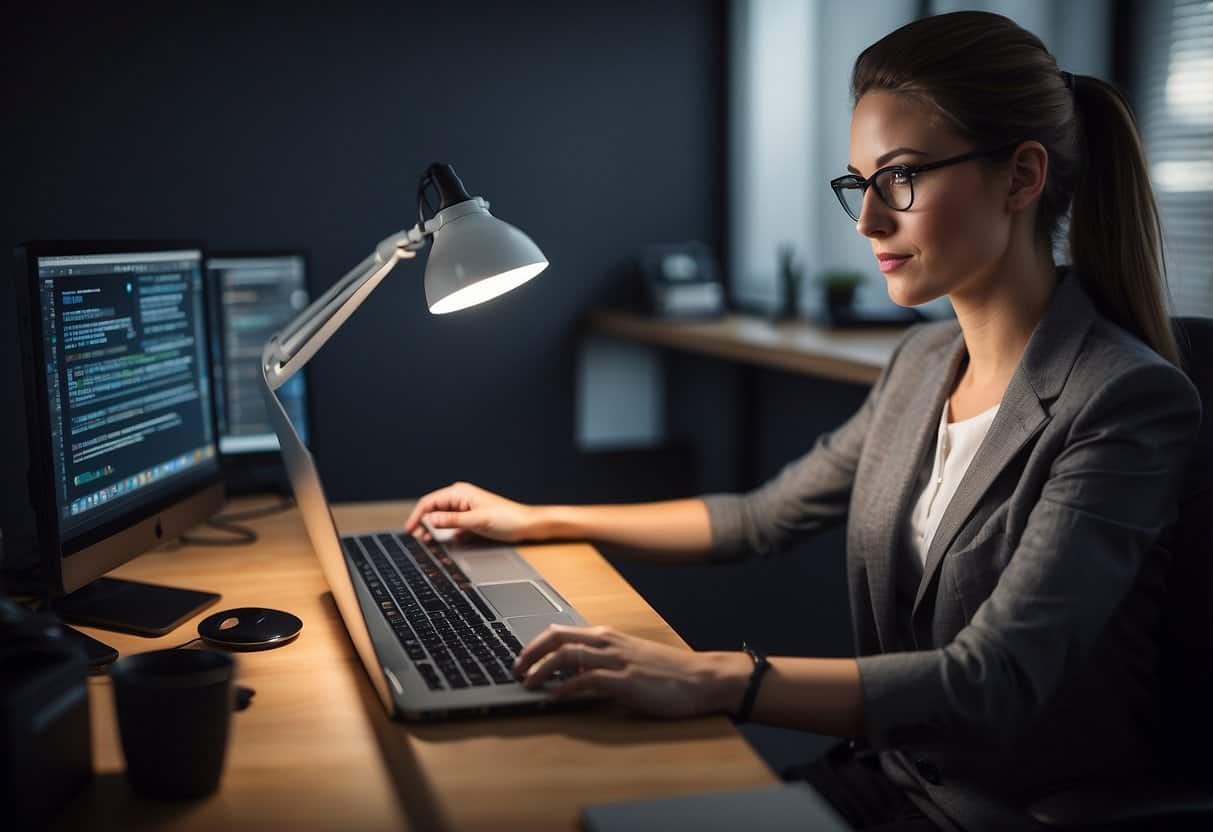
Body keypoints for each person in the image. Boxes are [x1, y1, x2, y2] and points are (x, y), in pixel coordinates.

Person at [405, 11, 1202, 831]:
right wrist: (535, 519)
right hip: (885, 778)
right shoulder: (919, 367)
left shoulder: (1120, 399)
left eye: (901, 178)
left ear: (1020, 177)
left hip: (997, 813)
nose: (866, 223)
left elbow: (992, 680)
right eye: (859, 184)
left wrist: (712, 678)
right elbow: (762, 516)